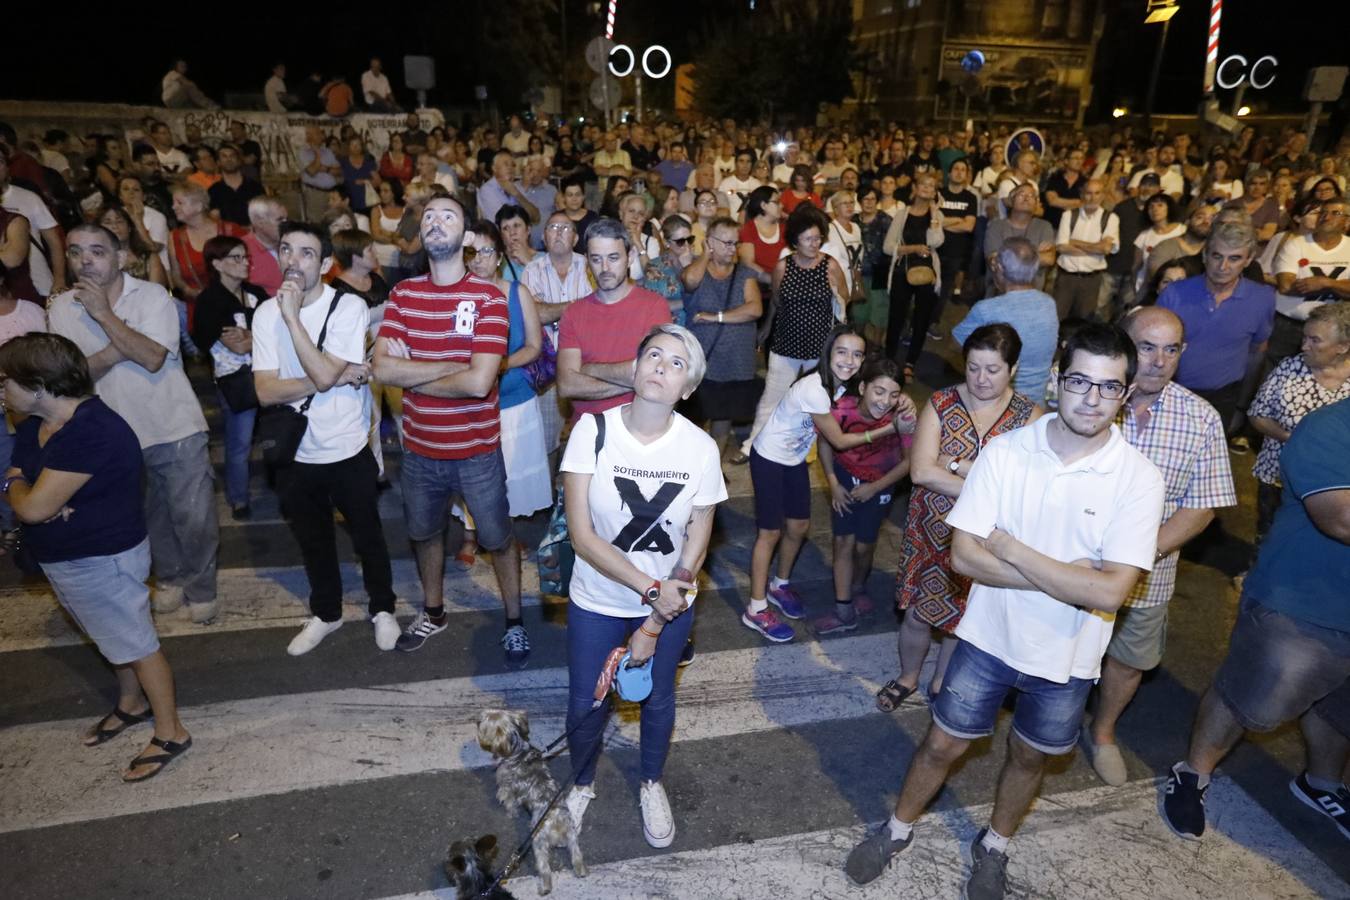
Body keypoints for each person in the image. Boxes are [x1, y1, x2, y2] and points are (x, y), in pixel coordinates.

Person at [845, 322, 1164, 899]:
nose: (1091, 399)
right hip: (987, 638)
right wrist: (1075, 578)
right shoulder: (1007, 450)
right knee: (942, 743)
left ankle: (994, 844)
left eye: (1108, 387)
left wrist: (1012, 548)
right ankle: (898, 828)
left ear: (1126, 392)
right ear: (1057, 380)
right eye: (1080, 382)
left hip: (1068, 660)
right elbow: (965, 556)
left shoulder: (1138, 479)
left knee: (1028, 757)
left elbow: (1112, 593)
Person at [560, 324, 726, 850]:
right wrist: (649, 589)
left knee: (656, 698)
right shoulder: (593, 431)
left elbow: (697, 539)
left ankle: (651, 781)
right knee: (588, 700)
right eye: (654, 354)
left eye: (677, 363)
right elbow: (582, 536)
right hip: (598, 597)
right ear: (635, 368)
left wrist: (655, 617)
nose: (661, 365)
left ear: (689, 387)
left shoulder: (700, 449)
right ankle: (581, 783)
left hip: (670, 605)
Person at [1, 333, 192, 782]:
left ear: (40, 385)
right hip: (67, 558)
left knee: (137, 644)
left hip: (103, 559)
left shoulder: (92, 432)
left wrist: (13, 486)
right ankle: (132, 703)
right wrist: (19, 483)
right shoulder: (35, 424)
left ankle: (171, 731)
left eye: (7, 381)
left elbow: (31, 505)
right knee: (110, 638)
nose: (1, 389)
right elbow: (22, 476)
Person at [1161, 397, 1350, 844]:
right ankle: (1194, 773)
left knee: (1340, 707)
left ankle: (1322, 783)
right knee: (1247, 695)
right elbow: (1340, 518)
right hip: (1300, 603)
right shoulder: (1329, 428)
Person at [1079, 308, 1237, 787]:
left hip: (1150, 575)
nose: (1158, 360)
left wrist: (1136, 555)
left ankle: (1102, 732)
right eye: (1147, 346)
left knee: (1128, 659)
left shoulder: (1201, 418)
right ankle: (1052, 722)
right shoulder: (1086, 396)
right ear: (1123, 344)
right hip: (1072, 563)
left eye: (1171, 349)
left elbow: (1202, 506)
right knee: (1062, 646)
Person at [371, 197, 526, 664]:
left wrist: (412, 365)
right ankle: (434, 611)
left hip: (477, 451)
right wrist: (447, 366)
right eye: (430, 216)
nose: (436, 222)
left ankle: (515, 620)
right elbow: (381, 368)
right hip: (419, 451)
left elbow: (480, 383)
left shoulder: (487, 297)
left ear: (467, 238)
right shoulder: (403, 295)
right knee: (424, 534)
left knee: (497, 538)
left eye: (449, 215)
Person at [48, 224, 219, 623]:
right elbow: (70, 380)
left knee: (193, 515)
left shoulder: (153, 295)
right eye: (75, 252)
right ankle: (172, 578)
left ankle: (202, 588)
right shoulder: (60, 309)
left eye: (97, 251)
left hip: (174, 424)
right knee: (147, 516)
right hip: (115, 436)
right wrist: (124, 346)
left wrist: (105, 316)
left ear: (121, 257)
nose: (85, 260)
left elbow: (154, 357)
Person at [877, 324, 1040, 711]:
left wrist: (954, 463)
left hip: (986, 540)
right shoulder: (942, 402)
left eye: (993, 369)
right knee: (918, 614)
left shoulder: (1031, 417)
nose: (981, 379)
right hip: (931, 531)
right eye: (973, 367)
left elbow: (1026, 488)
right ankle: (907, 677)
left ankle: (940, 682)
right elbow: (920, 473)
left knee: (963, 619)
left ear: (1012, 369)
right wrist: (988, 481)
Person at [252, 222, 396, 655]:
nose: (294, 261)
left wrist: (294, 321)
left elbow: (318, 372)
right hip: (297, 452)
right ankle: (327, 614)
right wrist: (333, 375)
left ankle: (383, 609)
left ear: (327, 264)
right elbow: (264, 391)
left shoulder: (347, 307)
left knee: (367, 534)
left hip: (347, 446)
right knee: (313, 539)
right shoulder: (263, 314)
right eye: (287, 250)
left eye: (307, 253)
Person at [743, 326, 914, 642]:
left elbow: (882, 384)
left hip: (793, 460)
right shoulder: (815, 389)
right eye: (842, 352)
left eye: (857, 354)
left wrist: (901, 398)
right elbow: (837, 440)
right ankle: (755, 608)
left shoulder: (843, 387)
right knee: (770, 532)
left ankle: (779, 585)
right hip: (768, 457)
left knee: (799, 527)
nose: (849, 360)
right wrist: (889, 428)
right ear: (828, 353)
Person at [734, 205, 846, 464]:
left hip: (819, 346)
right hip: (786, 343)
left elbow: (845, 300)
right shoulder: (783, 266)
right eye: (808, 239)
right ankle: (752, 445)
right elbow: (776, 300)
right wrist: (766, 329)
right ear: (795, 240)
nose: (814, 243)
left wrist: (836, 292)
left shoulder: (830, 266)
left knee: (814, 402)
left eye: (818, 238)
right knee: (771, 398)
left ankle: (808, 450)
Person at [815, 356, 913, 635]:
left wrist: (876, 486)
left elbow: (909, 462)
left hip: (880, 484)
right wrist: (833, 483)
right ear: (862, 388)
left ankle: (858, 585)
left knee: (864, 546)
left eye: (894, 394)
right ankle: (844, 607)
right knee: (843, 543)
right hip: (844, 479)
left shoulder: (902, 417)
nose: (885, 401)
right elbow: (824, 444)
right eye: (878, 391)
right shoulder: (840, 411)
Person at [464, 221, 550, 519]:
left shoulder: (517, 292)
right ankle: (471, 534)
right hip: (472, 399)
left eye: (486, 251)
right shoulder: (459, 297)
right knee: (474, 475)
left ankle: (506, 535)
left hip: (515, 396)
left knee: (513, 472)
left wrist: (499, 365)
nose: (478, 259)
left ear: (499, 256)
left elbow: (534, 346)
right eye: (471, 252)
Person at [1158, 219, 1276, 432]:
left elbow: (1256, 354)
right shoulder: (1174, 294)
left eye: (1234, 258)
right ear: (1204, 256)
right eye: (1217, 256)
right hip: (1169, 392)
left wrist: (1241, 406)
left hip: (1223, 398)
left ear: (1248, 260)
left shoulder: (1262, 298)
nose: (1223, 267)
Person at [1246, 303, 1350, 541]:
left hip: (1335, 484)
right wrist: (1294, 440)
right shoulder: (1290, 368)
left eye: (1315, 340)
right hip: (1278, 475)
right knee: (1270, 533)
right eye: (1304, 337)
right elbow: (1257, 414)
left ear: (1342, 347)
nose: (1304, 346)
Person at [191, 235, 266, 519]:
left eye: (245, 257)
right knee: (240, 441)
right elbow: (235, 345)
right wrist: (256, 336)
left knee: (280, 431)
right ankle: (238, 498)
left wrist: (251, 336)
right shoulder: (210, 301)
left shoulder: (256, 292)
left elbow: (278, 332)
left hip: (268, 372)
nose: (244, 262)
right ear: (217, 264)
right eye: (236, 258)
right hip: (235, 379)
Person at [682, 216, 762, 452]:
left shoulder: (744, 273)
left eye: (735, 243)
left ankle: (713, 468)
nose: (732, 249)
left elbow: (754, 308)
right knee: (694, 417)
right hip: (703, 359)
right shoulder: (696, 268)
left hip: (735, 362)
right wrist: (705, 255)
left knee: (723, 417)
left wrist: (715, 316)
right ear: (710, 242)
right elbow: (689, 281)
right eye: (726, 243)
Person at [952, 237, 1059, 401]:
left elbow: (957, 343)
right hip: (1037, 403)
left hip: (1001, 405)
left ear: (999, 268)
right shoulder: (1049, 304)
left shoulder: (987, 309)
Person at [522, 211, 592, 454]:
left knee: (587, 439)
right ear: (544, 237)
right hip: (548, 369)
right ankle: (550, 492)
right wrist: (579, 305)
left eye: (565, 228)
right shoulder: (532, 270)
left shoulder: (591, 265)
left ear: (575, 238)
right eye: (553, 228)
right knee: (546, 442)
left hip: (588, 366)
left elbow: (601, 313)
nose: (559, 232)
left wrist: (551, 309)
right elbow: (534, 315)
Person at [882, 171, 945, 380]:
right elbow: (888, 247)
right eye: (924, 184)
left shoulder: (937, 216)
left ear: (935, 192)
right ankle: (889, 359)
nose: (927, 188)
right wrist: (913, 248)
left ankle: (910, 362)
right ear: (915, 189)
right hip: (902, 271)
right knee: (896, 317)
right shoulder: (902, 214)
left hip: (928, 273)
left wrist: (935, 215)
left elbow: (936, 242)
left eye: (932, 186)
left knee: (922, 318)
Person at [1052, 178, 1120, 321]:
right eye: (1088, 193)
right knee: (1056, 320)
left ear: (1103, 195)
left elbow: (1106, 249)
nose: (1092, 197)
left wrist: (1074, 242)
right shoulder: (1069, 215)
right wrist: (1095, 247)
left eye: (1097, 193)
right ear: (1082, 194)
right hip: (1066, 278)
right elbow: (1061, 247)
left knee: (1084, 323)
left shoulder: (1111, 218)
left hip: (1091, 280)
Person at [983, 182, 1055, 296]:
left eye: (1031, 196)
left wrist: (1007, 258)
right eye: (1021, 194)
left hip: (1032, 297)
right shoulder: (996, 226)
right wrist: (1036, 254)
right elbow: (994, 261)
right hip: (1000, 296)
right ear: (1011, 201)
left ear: (1036, 204)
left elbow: (1049, 259)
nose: (1026, 198)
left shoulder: (1044, 226)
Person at [1131, 194, 1183, 297]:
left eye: (1160, 205)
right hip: (1148, 288)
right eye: (1151, 206)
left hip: (1177, 288)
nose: (1155, 209)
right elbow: (1136, 267)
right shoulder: (1144, 235)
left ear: (1169, 208)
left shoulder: (1182, 230)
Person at [736, 185, 785, 289]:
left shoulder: (785, 229)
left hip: (783, 286)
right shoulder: (748, 229)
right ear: (763, 205)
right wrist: (772, 281)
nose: (781, 205)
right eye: (776, 202)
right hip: (759, 288)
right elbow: (748, 263)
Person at [207, 144, 264, 228]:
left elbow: (264, 215)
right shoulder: (213, 191)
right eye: (224, 156)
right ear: (218, 163)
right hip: (227, 238)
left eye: (232, 156)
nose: (228, 159)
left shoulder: (255, 187)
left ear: (239, 161)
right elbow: (213, 221)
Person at [243, 196, 285, 297]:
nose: (286, 224)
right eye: (280, 220)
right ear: (260, 223)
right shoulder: (241, 251)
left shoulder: (296, 242)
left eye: (287, 219)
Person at [299, 126, 342, 221]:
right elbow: (312, 171)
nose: (321, 136)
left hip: (332, 193)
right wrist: (317, 153)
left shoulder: (327, 151)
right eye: (317, 133)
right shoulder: (304, 153)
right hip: (316, 194)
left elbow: (339, 171)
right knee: (318, 222)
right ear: (309, 136)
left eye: (320, 133)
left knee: (334, 220)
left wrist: (325, 169)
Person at [339, 137, 379, 216]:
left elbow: (378, 182)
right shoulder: (343, 162)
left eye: (358, 145)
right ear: (348, 147)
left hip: (368, 203)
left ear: (362, 146)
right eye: (352, 145)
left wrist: (365, 182)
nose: (355, 147)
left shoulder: (368, 161)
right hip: (349, 204)